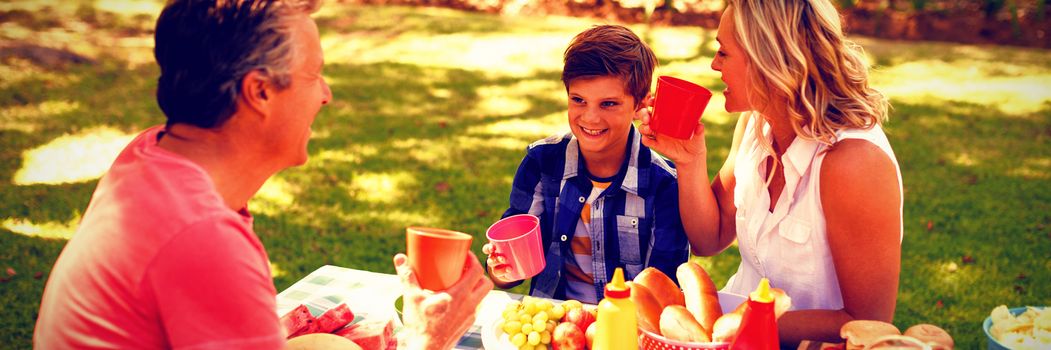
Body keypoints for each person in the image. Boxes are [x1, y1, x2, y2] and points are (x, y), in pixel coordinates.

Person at [33, 1, 491, 349]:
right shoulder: (202, 238)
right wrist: (427, 340)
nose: (326, 95)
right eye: (314, 75)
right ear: (260, 92)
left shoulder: (151, 154)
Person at [639, 0, 903, 345]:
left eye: (724, 52)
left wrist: (742, 330)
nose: (714, 64)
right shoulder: (755, 124)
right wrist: (689, 161)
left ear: (770, 61)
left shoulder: (853, 164)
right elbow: (709, 237)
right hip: (731, 333)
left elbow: (869, 321)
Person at [484, 25, 704, 304]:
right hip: (554, 321)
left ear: (640, 105)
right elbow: (510, 271)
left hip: (628, 329)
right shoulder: (542, 162)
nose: (590, 118)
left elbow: (665, 288)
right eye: (578, 100)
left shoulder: (664, 185)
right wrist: (501, 268)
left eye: (608, 104)